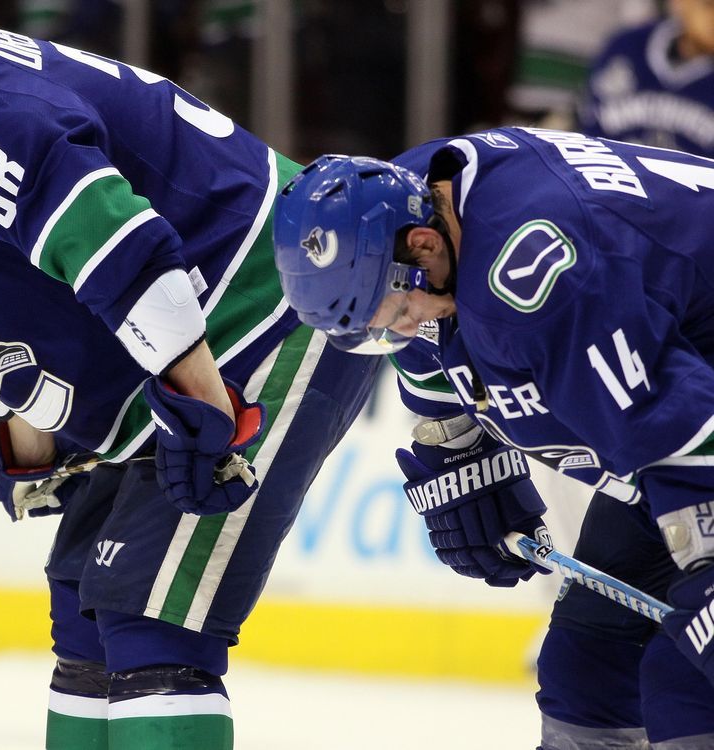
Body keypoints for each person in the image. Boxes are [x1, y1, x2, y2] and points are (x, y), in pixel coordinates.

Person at [0, 15, 387, 750]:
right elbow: (20, 310)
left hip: (262, 311)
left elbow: (118, 244)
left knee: (152, 623)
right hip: (172, 350)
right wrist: (35, 440)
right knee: (85, 612)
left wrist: (206, 411)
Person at [272, 130, 714, 749]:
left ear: (424, 247)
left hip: (694, 434)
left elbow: (678, 423)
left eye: (402, 313)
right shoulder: (407, 200)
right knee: (585, 667)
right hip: (680, 412)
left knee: (685, 683)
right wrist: (460, 447)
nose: (409, 328)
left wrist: (706, 553)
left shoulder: (537, 278)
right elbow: (427, 353)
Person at [578, 0, 714, 157]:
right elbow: (590, 126)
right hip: (608, 173)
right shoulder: (628, 47)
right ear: (681, 3)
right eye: (708, 5)